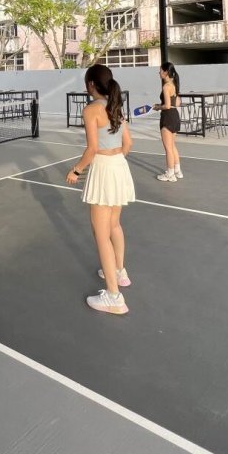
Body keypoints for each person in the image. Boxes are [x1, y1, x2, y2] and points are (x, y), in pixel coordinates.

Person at [66, 63, 135, 316]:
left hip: (105, 169)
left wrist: (76, 170)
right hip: (119, 166)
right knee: (114, 225)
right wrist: (115, 161)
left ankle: (114, 297)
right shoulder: (116, 106)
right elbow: (128, 143)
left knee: (101, 233)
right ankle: (119, 271)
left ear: (91, 84)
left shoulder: (91, 109)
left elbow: (92, 149)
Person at [156, 61, 182, 182]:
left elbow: (166, 106)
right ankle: (177, 171)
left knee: (168, 148)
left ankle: (170, 174)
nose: (159, 72)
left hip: (167, 117)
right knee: (172, 145)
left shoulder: (166, 87)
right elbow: (177, 103)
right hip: (175, 116)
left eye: (161, 70)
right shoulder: (174, 84)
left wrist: (158, 107)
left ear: (166, 72)